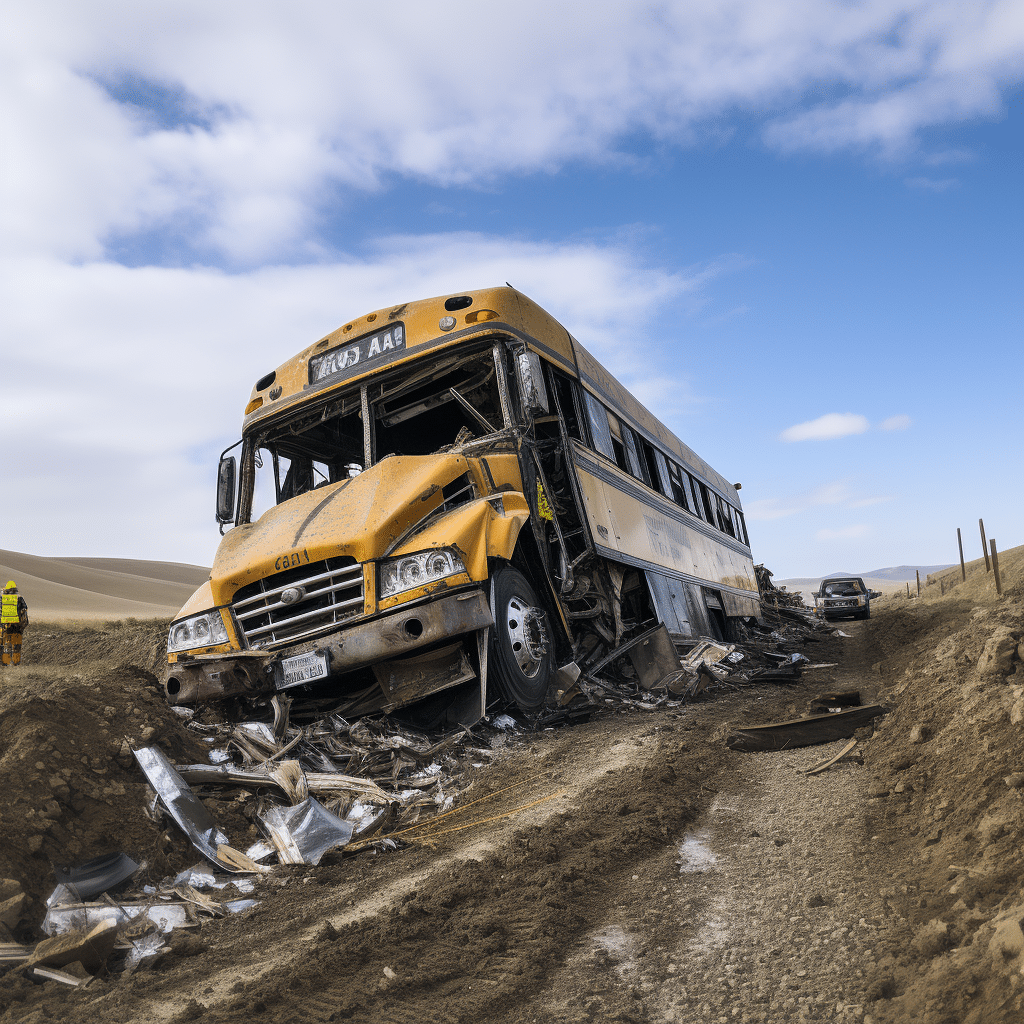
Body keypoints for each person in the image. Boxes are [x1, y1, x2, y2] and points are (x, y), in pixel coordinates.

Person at [1, 580, 28, 667]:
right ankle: (16, 664)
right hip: (17, 627)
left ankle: (6, 663)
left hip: (5, 627)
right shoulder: (20, 599)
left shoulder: (1, 599)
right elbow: (24, 612)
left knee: (6, 646)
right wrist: (23, 626)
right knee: (16, 647)